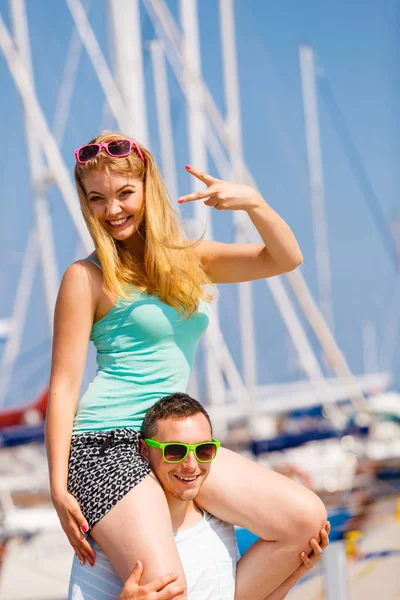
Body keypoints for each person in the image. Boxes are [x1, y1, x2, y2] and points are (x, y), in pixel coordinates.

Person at [46, 131, 327, 600]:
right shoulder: (86, 277)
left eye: (124, 194)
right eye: (97, 199)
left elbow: (285, 258)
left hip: (175, 440)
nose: (112, 210)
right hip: (105, 444)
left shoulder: (188, 260)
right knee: (165, 586)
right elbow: (63, 386)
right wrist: (58, 487)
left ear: (147, 190)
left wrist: (252, 202)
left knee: (304, 522)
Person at [69, 394, 330, 600]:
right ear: (145, 451)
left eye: (204, 450)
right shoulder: (118, 539)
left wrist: (292, 575)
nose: (191, 465)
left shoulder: (217, 525)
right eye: (175, 451)